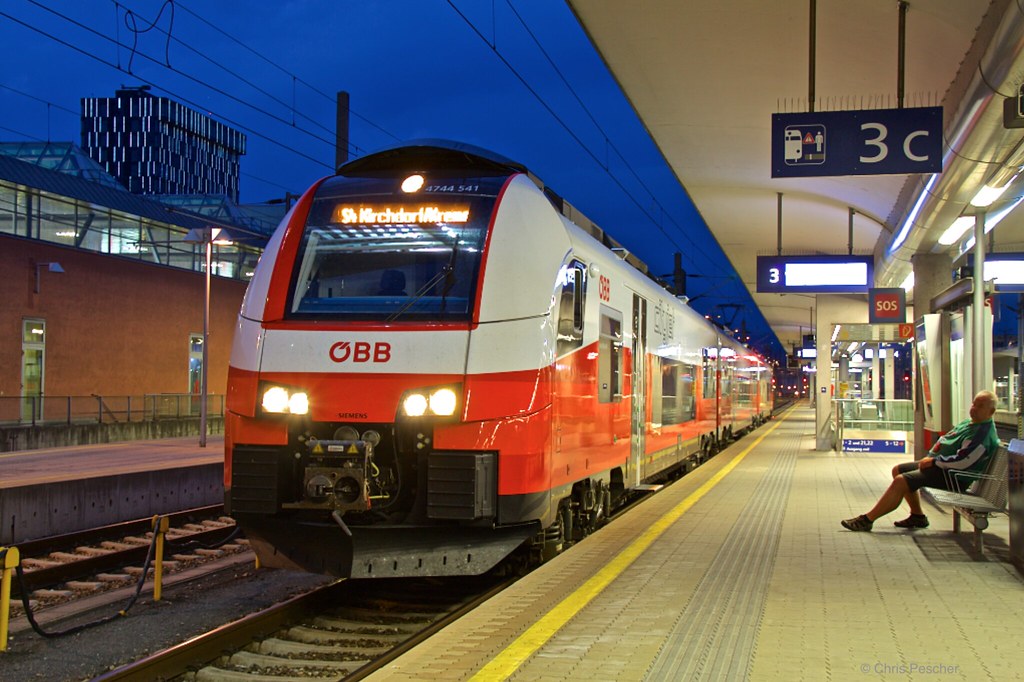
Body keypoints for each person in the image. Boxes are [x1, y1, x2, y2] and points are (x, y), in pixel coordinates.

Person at [841, 390, 1000, 532]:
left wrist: (934, 462)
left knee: (901, 481)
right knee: (899, 470)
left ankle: (867, 520)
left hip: (955, 476)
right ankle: (917, 516)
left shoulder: (982, 435)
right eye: (974, 404)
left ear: (991, 411)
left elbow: (964, 461)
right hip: (942, 467)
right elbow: (947, 441)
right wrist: (932, 459)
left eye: (979, 406)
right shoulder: (969, 423)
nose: (974, 408)